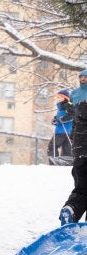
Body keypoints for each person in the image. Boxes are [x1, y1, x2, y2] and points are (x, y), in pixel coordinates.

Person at [59, 69, 87, 225]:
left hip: (79, 149)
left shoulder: (75, 96)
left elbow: (74, 125)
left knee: (81, 187)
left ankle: (71, 209)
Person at [48, 89, 74, 163]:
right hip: (67, 131)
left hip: (62, 131)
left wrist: (63, 119)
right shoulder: (62, 106)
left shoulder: (67, 105)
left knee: (52, 147)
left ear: (64, 97)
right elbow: (59, 117)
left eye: (60, 97)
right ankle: (66, 162)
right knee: (66, 149)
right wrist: (55, 120)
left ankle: (54, 161)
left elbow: (72, 115)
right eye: (57, 97)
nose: (58, 98)